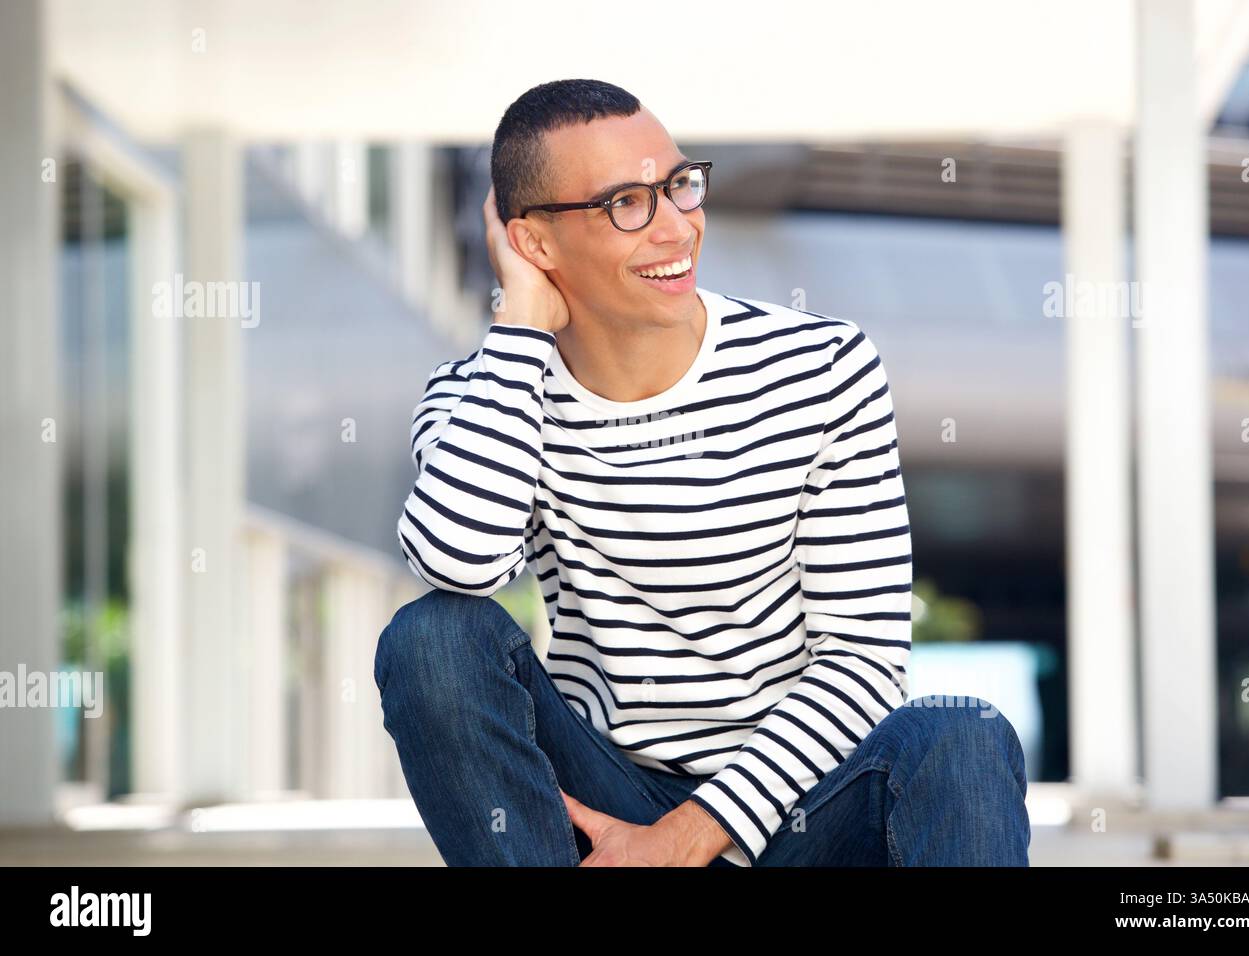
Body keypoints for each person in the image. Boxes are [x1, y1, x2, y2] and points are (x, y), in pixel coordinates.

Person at [374, 78, 1031, 867]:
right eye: (626, 202)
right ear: (536, 244)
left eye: (678, 185)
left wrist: (682, 841)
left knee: (964, 735)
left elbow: (863, 661)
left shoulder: (820, 366)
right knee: (433, 639)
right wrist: (519, 331)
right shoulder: (483, 394)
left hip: (802, 814)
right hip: (608, 796)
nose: (674, 227)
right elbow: (459, 564)